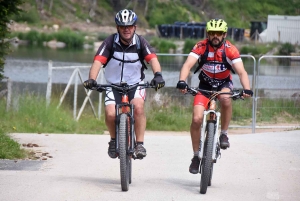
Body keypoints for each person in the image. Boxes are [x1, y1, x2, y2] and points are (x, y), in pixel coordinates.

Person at [83, 9, 165, 159]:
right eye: (122, 26)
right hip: (113, 85)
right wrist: (92, 79)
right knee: (110, 113)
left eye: (129, 26)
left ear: (135, 27)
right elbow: (98, 61)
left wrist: (158, 75)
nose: (126, 29)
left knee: (138, 107)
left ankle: (139, 144)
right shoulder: (110, 42)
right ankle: (114, 140)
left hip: (136, 85)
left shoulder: (140, 42)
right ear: (117, 28)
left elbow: (153, 59)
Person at [176, 19, 253, 174]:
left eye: (219, 33)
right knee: (197, 119)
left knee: (225, 99)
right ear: (208, 34)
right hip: (204, 86)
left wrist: (247, 89)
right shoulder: (201, 46)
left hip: (224, 84)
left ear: (224, 34)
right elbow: (187, 65)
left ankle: (224, 134)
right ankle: (196, 156)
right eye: (212, 33)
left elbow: (241, 72)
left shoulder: (230, 50)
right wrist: (182, 81)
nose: (215, 36)